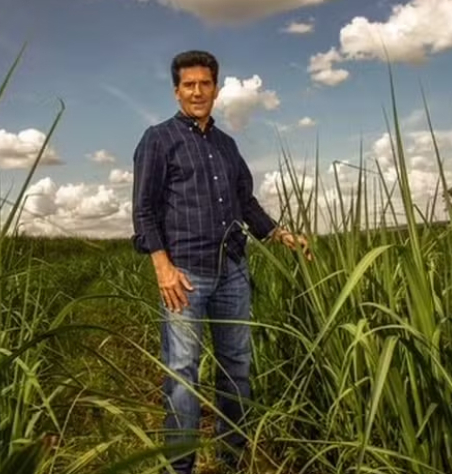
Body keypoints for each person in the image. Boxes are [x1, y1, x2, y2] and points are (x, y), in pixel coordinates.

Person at [131, 50, 312, 473]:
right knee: (181, 375)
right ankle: (180, 468)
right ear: (177, 91)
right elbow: (144, 210)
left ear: (216, 89)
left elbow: (244, 202)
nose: (197, 91)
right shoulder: (157, 139)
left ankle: (232, 462)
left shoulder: (227, 146)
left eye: (205, 83)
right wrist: (162, 266)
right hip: (184, 276)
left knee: (237, 370)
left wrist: (280, 234)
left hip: (232, 271)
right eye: (189, 84)